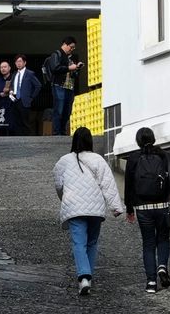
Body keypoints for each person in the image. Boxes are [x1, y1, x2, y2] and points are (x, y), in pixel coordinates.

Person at [52, 125, 126, 297]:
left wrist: (64, 198)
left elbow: (58, 184)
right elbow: (108, 185)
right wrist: (116, 207)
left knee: (79, 243)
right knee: (92, 243)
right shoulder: (98, 160)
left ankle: (84, 277)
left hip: (74, 208)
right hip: (95, 209)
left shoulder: (63, 161)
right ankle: (88, 277)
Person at [120, 125, 170, 293]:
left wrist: (129, 208)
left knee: (148, 243)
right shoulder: (165, 157)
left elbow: (129, 186)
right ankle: (162, 267)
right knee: (163, 238)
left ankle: (151, 283)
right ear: (153, 139)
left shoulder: (133, 159)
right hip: (163, 206)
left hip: (143, 208)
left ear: (138, 141)